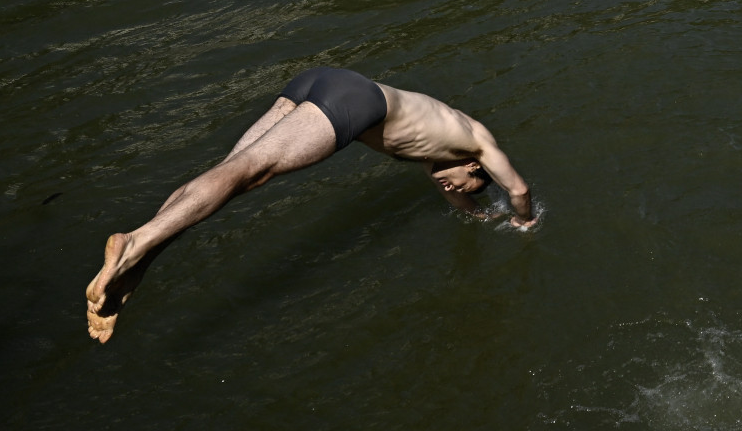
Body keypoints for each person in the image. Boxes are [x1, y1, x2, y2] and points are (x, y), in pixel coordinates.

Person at [83, 66, 534, 344]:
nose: (448, 187)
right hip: (353, 99)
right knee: (251, 171)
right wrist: (522, 221)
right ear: (476, 171)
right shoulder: (479, 144)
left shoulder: (440, 153)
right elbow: (518, 188)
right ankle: (134, 241)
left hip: (321, 81)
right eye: (461, 186)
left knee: (230, 174)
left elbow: (453, 196)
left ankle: (141, 259)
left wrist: (476, 214)